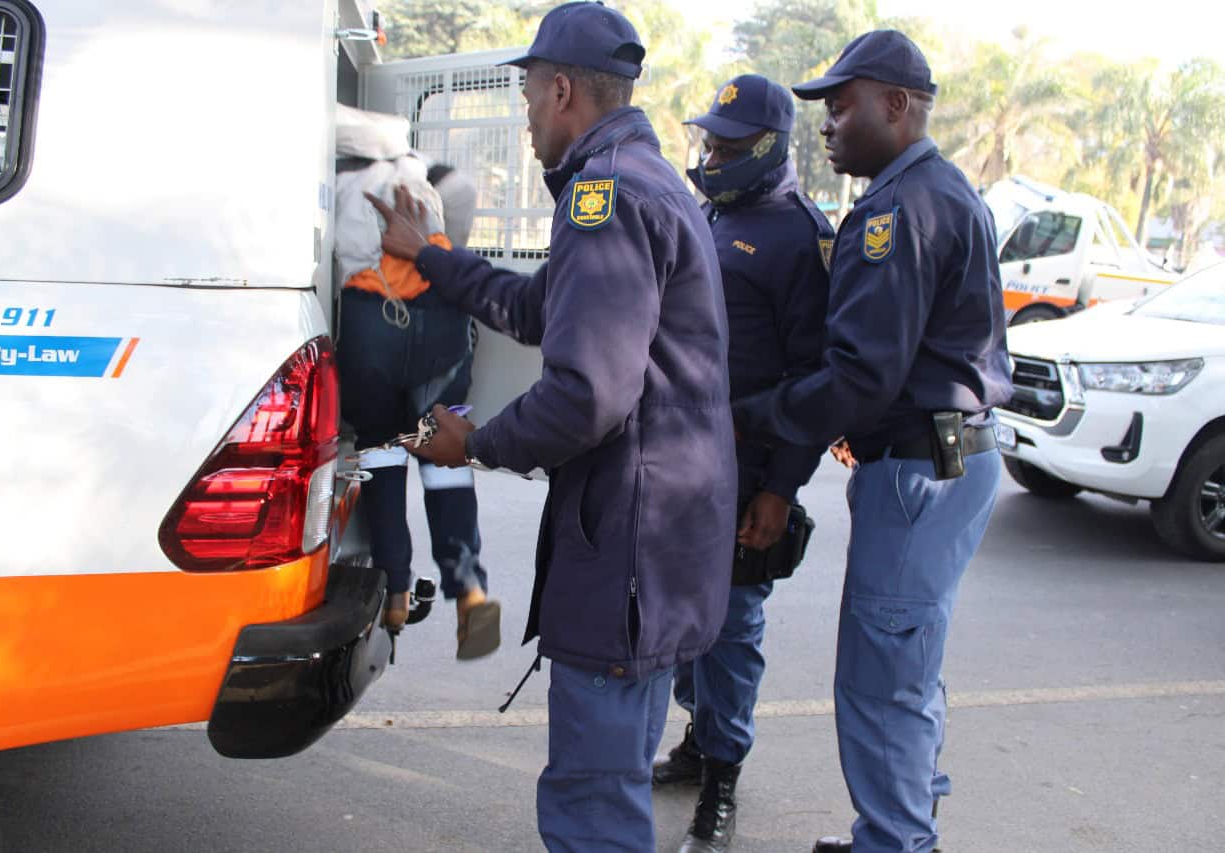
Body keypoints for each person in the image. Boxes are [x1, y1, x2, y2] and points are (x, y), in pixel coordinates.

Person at [369, 3, 738, 850]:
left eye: (530, 94)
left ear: (563, 90)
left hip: (631, 552)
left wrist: (475, 443)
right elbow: (540, 308)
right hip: (659, 542)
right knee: (609, 782)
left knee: (592, 806)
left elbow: (585, 396)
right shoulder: (646, 180)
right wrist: (433, 257)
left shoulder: (606, 197)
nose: (527, 113)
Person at [730, 31, 1013, 853]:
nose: (826, 124)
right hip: (949, 457)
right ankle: (902, 826)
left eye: (841, 105)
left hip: (919, 468)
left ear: (896, 105)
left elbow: (860, 376)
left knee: (881, 678)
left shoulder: (898, 210)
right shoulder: (942, 190)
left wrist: (749, 414)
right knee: (908, 665)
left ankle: (895, 841)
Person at [655, 74, 833, 853]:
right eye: (712, 142)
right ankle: (699, 740)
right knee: (680, 623)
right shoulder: (712, 213)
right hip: (677, 463)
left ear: (769, 146)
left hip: (747, 470)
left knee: (730, 630)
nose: (714, 156)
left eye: (730, 146)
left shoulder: (800, 236)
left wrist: (781, 486)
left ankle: (720, 782)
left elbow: (814, 378)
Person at [332, 106, 499, 660]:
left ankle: (395, 595)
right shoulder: (422, 169)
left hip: (371, 326)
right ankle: (470, 593)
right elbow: (464, 196)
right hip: (440, 326)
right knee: (445, 461)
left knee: (382, 456)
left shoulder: (334, 178)